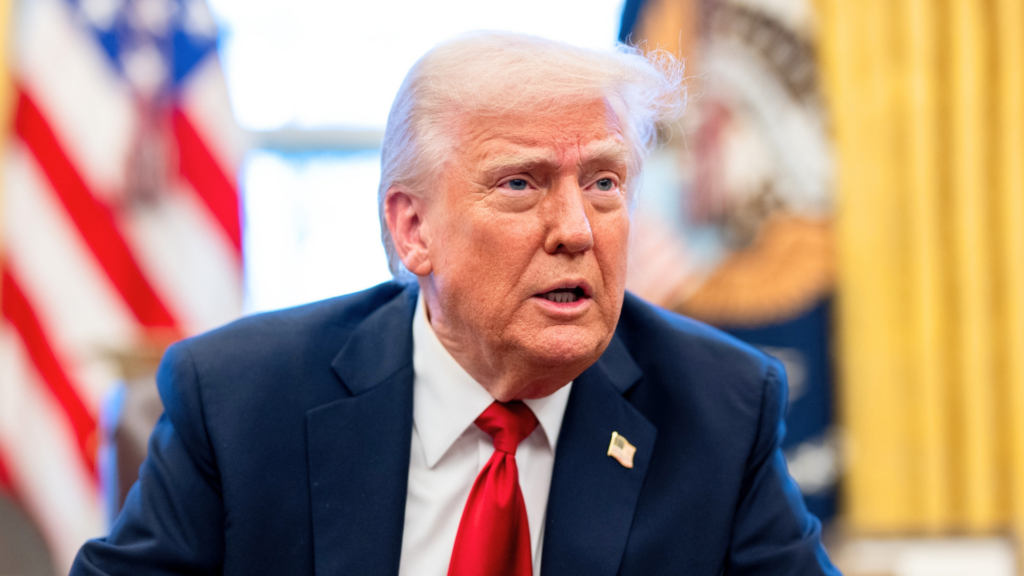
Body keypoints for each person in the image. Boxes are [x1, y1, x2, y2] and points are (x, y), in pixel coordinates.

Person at [70, 32, 840, 576]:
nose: (577, 230)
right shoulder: (240, 400)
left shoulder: (719, 407)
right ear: (413, 230)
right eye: (521, 184)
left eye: (604, 183)